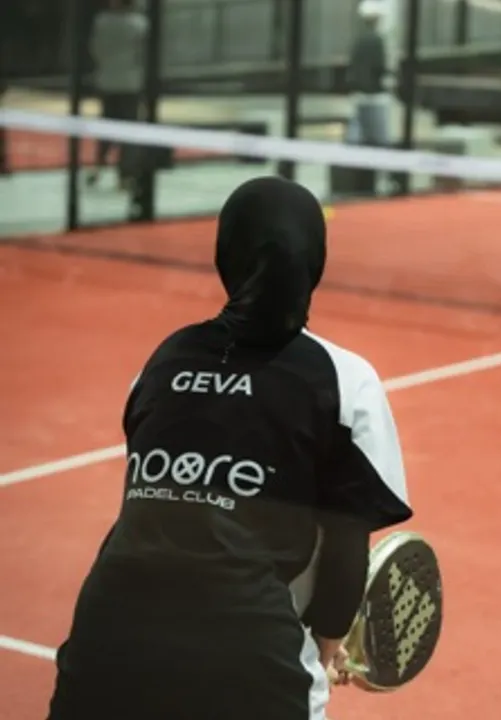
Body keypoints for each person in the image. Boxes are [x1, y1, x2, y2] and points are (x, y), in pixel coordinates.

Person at [46, 176, 413, 720]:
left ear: (226, 254)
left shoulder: (164, 360)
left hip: (106, 638)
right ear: (315, 260)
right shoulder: (344, 379)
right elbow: (344, 549)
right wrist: (326, 647)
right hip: (252, 655)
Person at [86, 0, 148, 190]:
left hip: (107, 81)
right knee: (128, 131)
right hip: (130, 83)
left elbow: (95, 49)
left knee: (106, 125)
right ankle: (125, 175)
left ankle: (98, 166)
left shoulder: (101, 21)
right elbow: (143, 54)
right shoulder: (139, 24)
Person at [346, 0, 392, 147]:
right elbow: (380, 66)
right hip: (375, 95)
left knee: (357, 133)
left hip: (359, 93)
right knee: (380, 136)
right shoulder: (378, 41)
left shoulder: (358, 41)